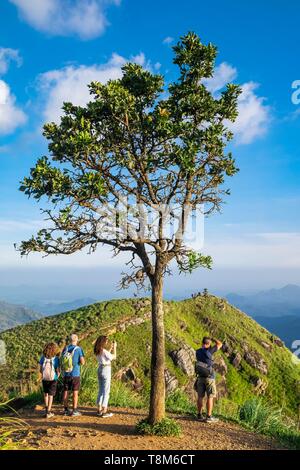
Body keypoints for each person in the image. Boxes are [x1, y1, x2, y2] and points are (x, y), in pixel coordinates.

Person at [195, 336, 223, 423]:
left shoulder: (198, 351)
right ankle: (209, 416)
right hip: (209, 377)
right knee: (210, 397)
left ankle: (199, 415)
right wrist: (214, 338)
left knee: (200, 396)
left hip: (200, 376)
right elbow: (220, 344)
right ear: (208, 344)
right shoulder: (209, 351)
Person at [61, 334, 85, 417]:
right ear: (77, 340)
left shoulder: (65, 348)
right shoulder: (78, 349)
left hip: (66, 373)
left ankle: (66, 410)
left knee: (66, 391)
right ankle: (74, 410)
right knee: (75, 392)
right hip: (75, 374)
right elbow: (82, 362)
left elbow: (62, 360)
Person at [94, 335, 117, 418]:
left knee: (100, 389)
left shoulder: (97, 350)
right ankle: (104, 410)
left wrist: (110, 348)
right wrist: (115, 347)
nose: (107, 342)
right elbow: (113, 357)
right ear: (103, 342)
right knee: (106, 390)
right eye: (106, 341)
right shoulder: (103, 351)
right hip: (106, 369)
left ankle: (99, 409)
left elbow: (106, 356)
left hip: (100, 368)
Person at [39, 342, 60, 418]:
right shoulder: (56, 359)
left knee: (46, 394)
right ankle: (49, 411)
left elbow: (41, 369)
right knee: (51, 395)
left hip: (44, 378)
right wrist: (57, 376)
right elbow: (57, 370)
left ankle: (46, 408)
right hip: (53, 379)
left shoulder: (42, 358)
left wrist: (43, 375)